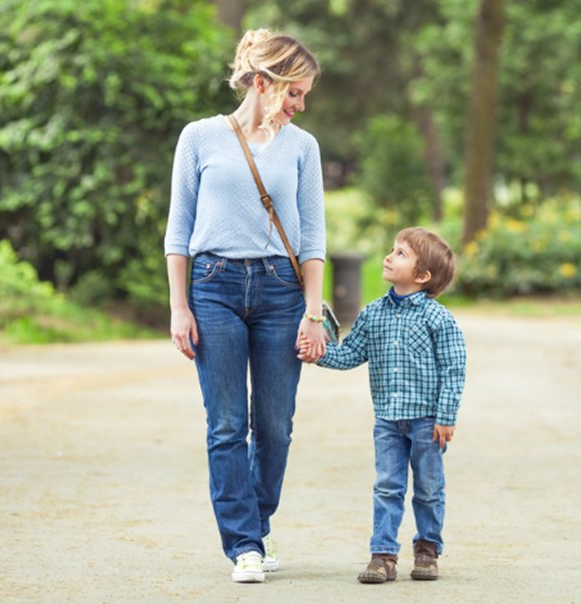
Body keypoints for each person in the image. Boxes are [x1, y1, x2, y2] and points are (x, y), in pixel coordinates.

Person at [164, 29, 326, 584]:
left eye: (304, 96)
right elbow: (178, 230)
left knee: (275, 426)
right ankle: (245, 546)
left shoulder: (303, 147)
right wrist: (178, 307)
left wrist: (312, 310)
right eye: (294, 93)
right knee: (227, 423)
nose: (300, 106)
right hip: (213, 286)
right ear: (263, 82)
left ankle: (257, 520)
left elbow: (313, 239)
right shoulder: (200, 137)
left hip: (282, 290)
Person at [298, 227, 466, 583]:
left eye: (401, 254)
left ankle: (428, 550)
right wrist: (318, 352)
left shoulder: (438, 319)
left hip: (427, 422)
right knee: (387, 486)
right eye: (392, 249)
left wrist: (447, 416)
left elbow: (454, 369)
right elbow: (350, 355)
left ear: (422, 276)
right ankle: (383, 555)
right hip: (388, 422)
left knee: (428, 489)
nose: (389, 257)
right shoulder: (372, 314)